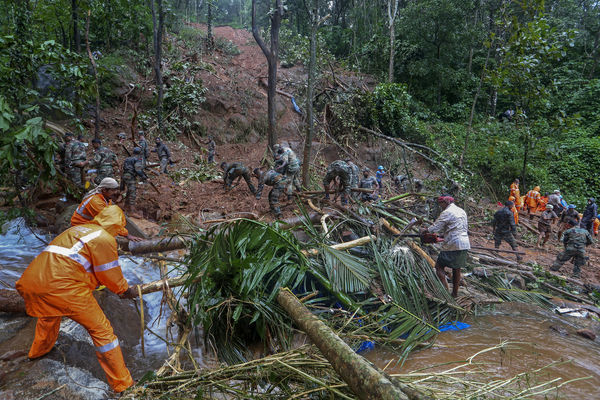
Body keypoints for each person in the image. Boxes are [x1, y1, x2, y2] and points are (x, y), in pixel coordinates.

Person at [15, 205, 139, 393]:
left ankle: (37, 352)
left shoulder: (76, 230)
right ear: (117, 225)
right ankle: (123, 384)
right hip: (64, 289)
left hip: (32, 282)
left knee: (49, 315)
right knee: (103, 332)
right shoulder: (104, 239)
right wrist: (124, 290)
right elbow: (110, 275)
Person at [425, 196, 470, 297]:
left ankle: (445, 291)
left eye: (441, 204)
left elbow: (436, 226)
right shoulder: (461, 211)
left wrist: (425, 230)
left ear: (445, 202)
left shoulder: (447, 212)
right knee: (456, 269)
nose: (441, 206)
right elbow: (457, 227)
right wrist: (443, 235)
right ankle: (454, 293)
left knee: (439, 267)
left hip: (453, 243)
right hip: (464, 242)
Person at [70, 177, 141, 241]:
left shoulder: (106, 199)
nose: (115, 192)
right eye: (113, 190)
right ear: (104, 190)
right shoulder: (96, 201)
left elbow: (112, 218)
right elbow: (110, 221)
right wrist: (127, 235)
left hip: (90, 224)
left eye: (116, 190)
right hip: (80, 226)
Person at [122, 147, 148, 215]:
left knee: (129, 191)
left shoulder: (127, 159)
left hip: (124, 176)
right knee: (132, 193)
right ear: (139, 153)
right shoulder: (137, 159)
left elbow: (123, 167)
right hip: (130, 176)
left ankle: (125, 206)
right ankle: (132, 211)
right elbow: (138, 170)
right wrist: (143, 176)